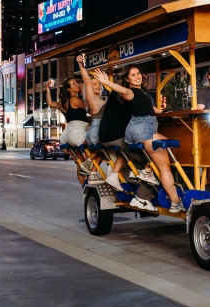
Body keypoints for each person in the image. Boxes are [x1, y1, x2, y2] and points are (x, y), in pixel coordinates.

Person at [93, 64, 186, 213]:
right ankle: (174, 202)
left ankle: (147, 171)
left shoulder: (142, 94)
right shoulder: (131, 92)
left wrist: (169, 111)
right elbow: (123, 90)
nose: (137, 77)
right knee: (163, 167)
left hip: (143, 128)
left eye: (138, 74)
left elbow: (152, 109)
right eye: (133, 75)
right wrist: (107, 82)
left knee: (167, 148)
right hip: (142, 129)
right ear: (127, 79)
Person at [45, 77, 89, 186]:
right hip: (78, 131)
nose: (77, 85)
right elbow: (90, 108)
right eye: (74, 84)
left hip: (68, 134)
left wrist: (48, 89)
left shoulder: (64, 103)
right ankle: (88, 169)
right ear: (69, 89)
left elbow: (50, 103)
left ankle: (84, 186)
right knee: (96, 146)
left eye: (76, 83)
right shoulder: (75, 100)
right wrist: (86, 91)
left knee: (80, 162)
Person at [76, 55, 106, 184]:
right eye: (95, 83)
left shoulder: (101, 99)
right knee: (107, 148)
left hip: (95, 130)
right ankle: (88, 163)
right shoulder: (91, 98)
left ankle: (92, 173)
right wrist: (81, 65)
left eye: (99, 83)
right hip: (97, 131)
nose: (98, 85)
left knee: (103, 152)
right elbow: (86, 79)